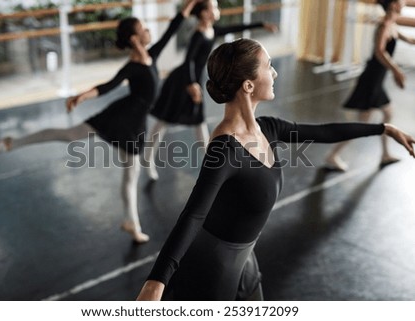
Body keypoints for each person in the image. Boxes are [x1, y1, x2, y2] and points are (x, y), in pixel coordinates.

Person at [136, 38, 414, 300]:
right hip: (213, 266)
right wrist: (156, 281)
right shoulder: (224, 149)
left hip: (246, 259)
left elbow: (325, 131)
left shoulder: (268, 128)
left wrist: (384, 128)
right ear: (248, 85)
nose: (275, 73)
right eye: (268, 66)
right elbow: (193, 215)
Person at [0, 0, 201, 244]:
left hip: (136, 125)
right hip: (118, 118)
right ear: (134, 39)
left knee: (131, 175)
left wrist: (191, 3)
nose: (149, 31)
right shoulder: (132, 67)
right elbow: (107, 87)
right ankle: (14, 142)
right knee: (69, 135)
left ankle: (131, 222)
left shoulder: (153, 54)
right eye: (143, 28)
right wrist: (81, 96)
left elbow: (174, 26)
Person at [144, 0, 277, 181]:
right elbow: (188, 60)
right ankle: (148, 159)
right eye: (213, 7)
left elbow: (236, 27)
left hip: (193, 82)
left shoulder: (211, 30)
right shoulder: (198, 34)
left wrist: (261, 24)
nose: (217, 10)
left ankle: (215, 162)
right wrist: (191, 84)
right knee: (164, 122)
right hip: (182, 82)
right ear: (205, 13)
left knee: (199, 121)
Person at [325, 0, 415, 171]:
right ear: (393, 5)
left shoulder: (391, 23)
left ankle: (385, 155)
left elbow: (409, 39)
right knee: (363, 125)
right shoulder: (385, 25)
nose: (404, 2)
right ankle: (333, 155)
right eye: (400, 0)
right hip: (371, 79)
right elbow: (379, 51)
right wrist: (396, 70)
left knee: (388, 114)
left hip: (376, 79)